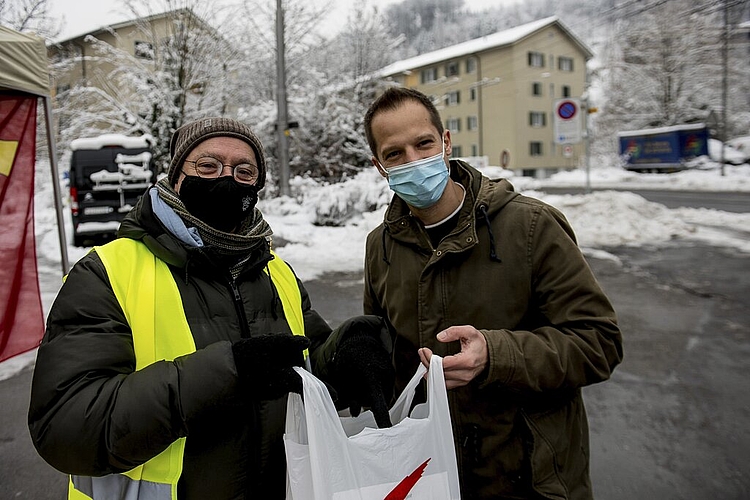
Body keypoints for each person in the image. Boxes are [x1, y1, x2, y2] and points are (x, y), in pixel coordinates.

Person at [27, 117, 392, 500]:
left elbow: (303, 365)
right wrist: (224, 373)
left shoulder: (275, 271)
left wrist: (342, 356)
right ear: (176, 176)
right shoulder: (107, 273)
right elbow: (66, 426)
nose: (226, 180)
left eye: (244, 171)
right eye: (208, 166)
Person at [360, 87, 623, 499]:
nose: (413, 161)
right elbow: (385, 352)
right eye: (395, 154)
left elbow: (599, 342)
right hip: (432, 475)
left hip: (529, 477)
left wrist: (494, 355)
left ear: (446, 142)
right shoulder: (381, 247)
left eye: (424, 143)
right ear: (380, 166)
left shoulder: (531, 226)